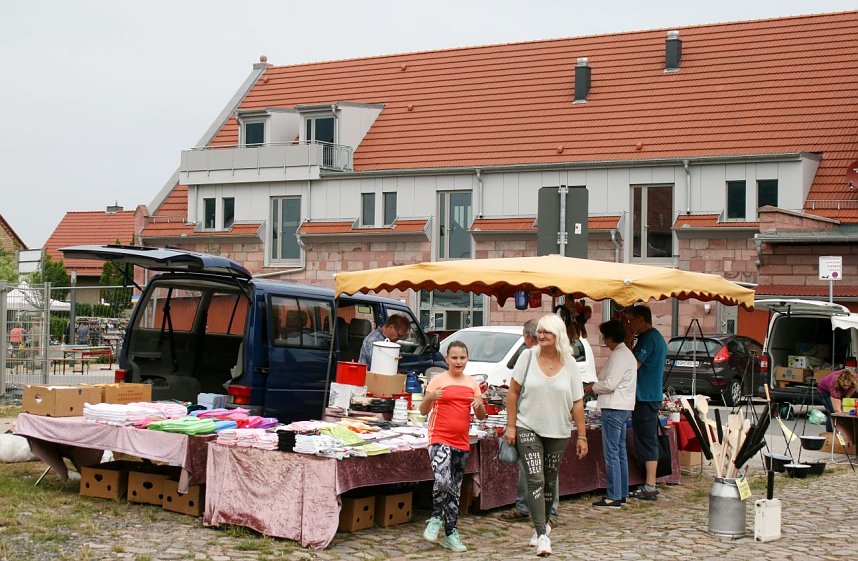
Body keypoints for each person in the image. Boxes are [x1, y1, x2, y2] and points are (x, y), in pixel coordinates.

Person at [505, 314, 588, 557]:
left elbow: (577, 402)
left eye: (547, 333)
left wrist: (581, 436)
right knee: (535, 478)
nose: (541, 336)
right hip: (527, 426)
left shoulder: (570, 363)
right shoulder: (527, 357)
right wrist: (511, 426)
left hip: (558, 430)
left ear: (558, 335)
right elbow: (512, 393)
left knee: (550, 481)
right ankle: (542, 533)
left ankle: (542, 525)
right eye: (540, 331)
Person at [420, 340, 486, 553]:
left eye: (462, 358)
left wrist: (480, 405)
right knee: (442, 480)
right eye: (454, 357)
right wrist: (430, 396)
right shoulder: (438, 380)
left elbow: (481, 415)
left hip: (462, 441)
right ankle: (436, 518)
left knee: (455, 489)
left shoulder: (472, 383)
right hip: (439, 437)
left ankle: (451, 533)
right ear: (447, 359)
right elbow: (423, 410)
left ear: (467, 359)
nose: (458, 361)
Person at [500, 319, 560, 525]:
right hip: (530, 422)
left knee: (544, 470)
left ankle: (547, 512)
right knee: (531, 468)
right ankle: (528, 508)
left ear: (528, 337)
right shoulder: (530, 357)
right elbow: (514, 393)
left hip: (545, 422)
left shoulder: (549, 358)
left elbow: (514, 393)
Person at [584, 320, 637, 509]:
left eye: (604, 337)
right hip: (622, 407)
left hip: (615, 407)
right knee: (619, 451)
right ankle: (621, 493)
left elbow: (609, 384)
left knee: (612, 452)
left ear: (610, 337)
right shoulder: (623, 354)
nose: (604, 341)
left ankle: (614, 495)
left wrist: (592, 388)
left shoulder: (620, 355)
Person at [626, 305, 667, 501]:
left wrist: (627, 338)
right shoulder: (654, 337)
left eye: (632, 320)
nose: (630, 324)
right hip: (648, 394)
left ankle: (650, 485)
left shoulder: (648, 338)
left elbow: (632, 365)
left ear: (641, 319)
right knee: (646, 437)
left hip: (646, 396)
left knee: (647, 439)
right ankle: (649, 482)